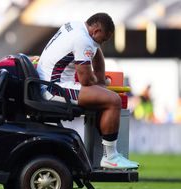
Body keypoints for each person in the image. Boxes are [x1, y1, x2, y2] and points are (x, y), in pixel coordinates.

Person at [37, 13, 138, 170]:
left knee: (106, 96)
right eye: (103, 39)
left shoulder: (76, 25)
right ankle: (110, 157)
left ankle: (108, 154)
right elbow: (85, 80)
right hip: (54, 88)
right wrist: (100, 84)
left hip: (49, 83)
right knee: (114, 100)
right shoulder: (82, 39)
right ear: (96, 31)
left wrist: (100, 82)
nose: (102, 44)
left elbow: (96, 52)